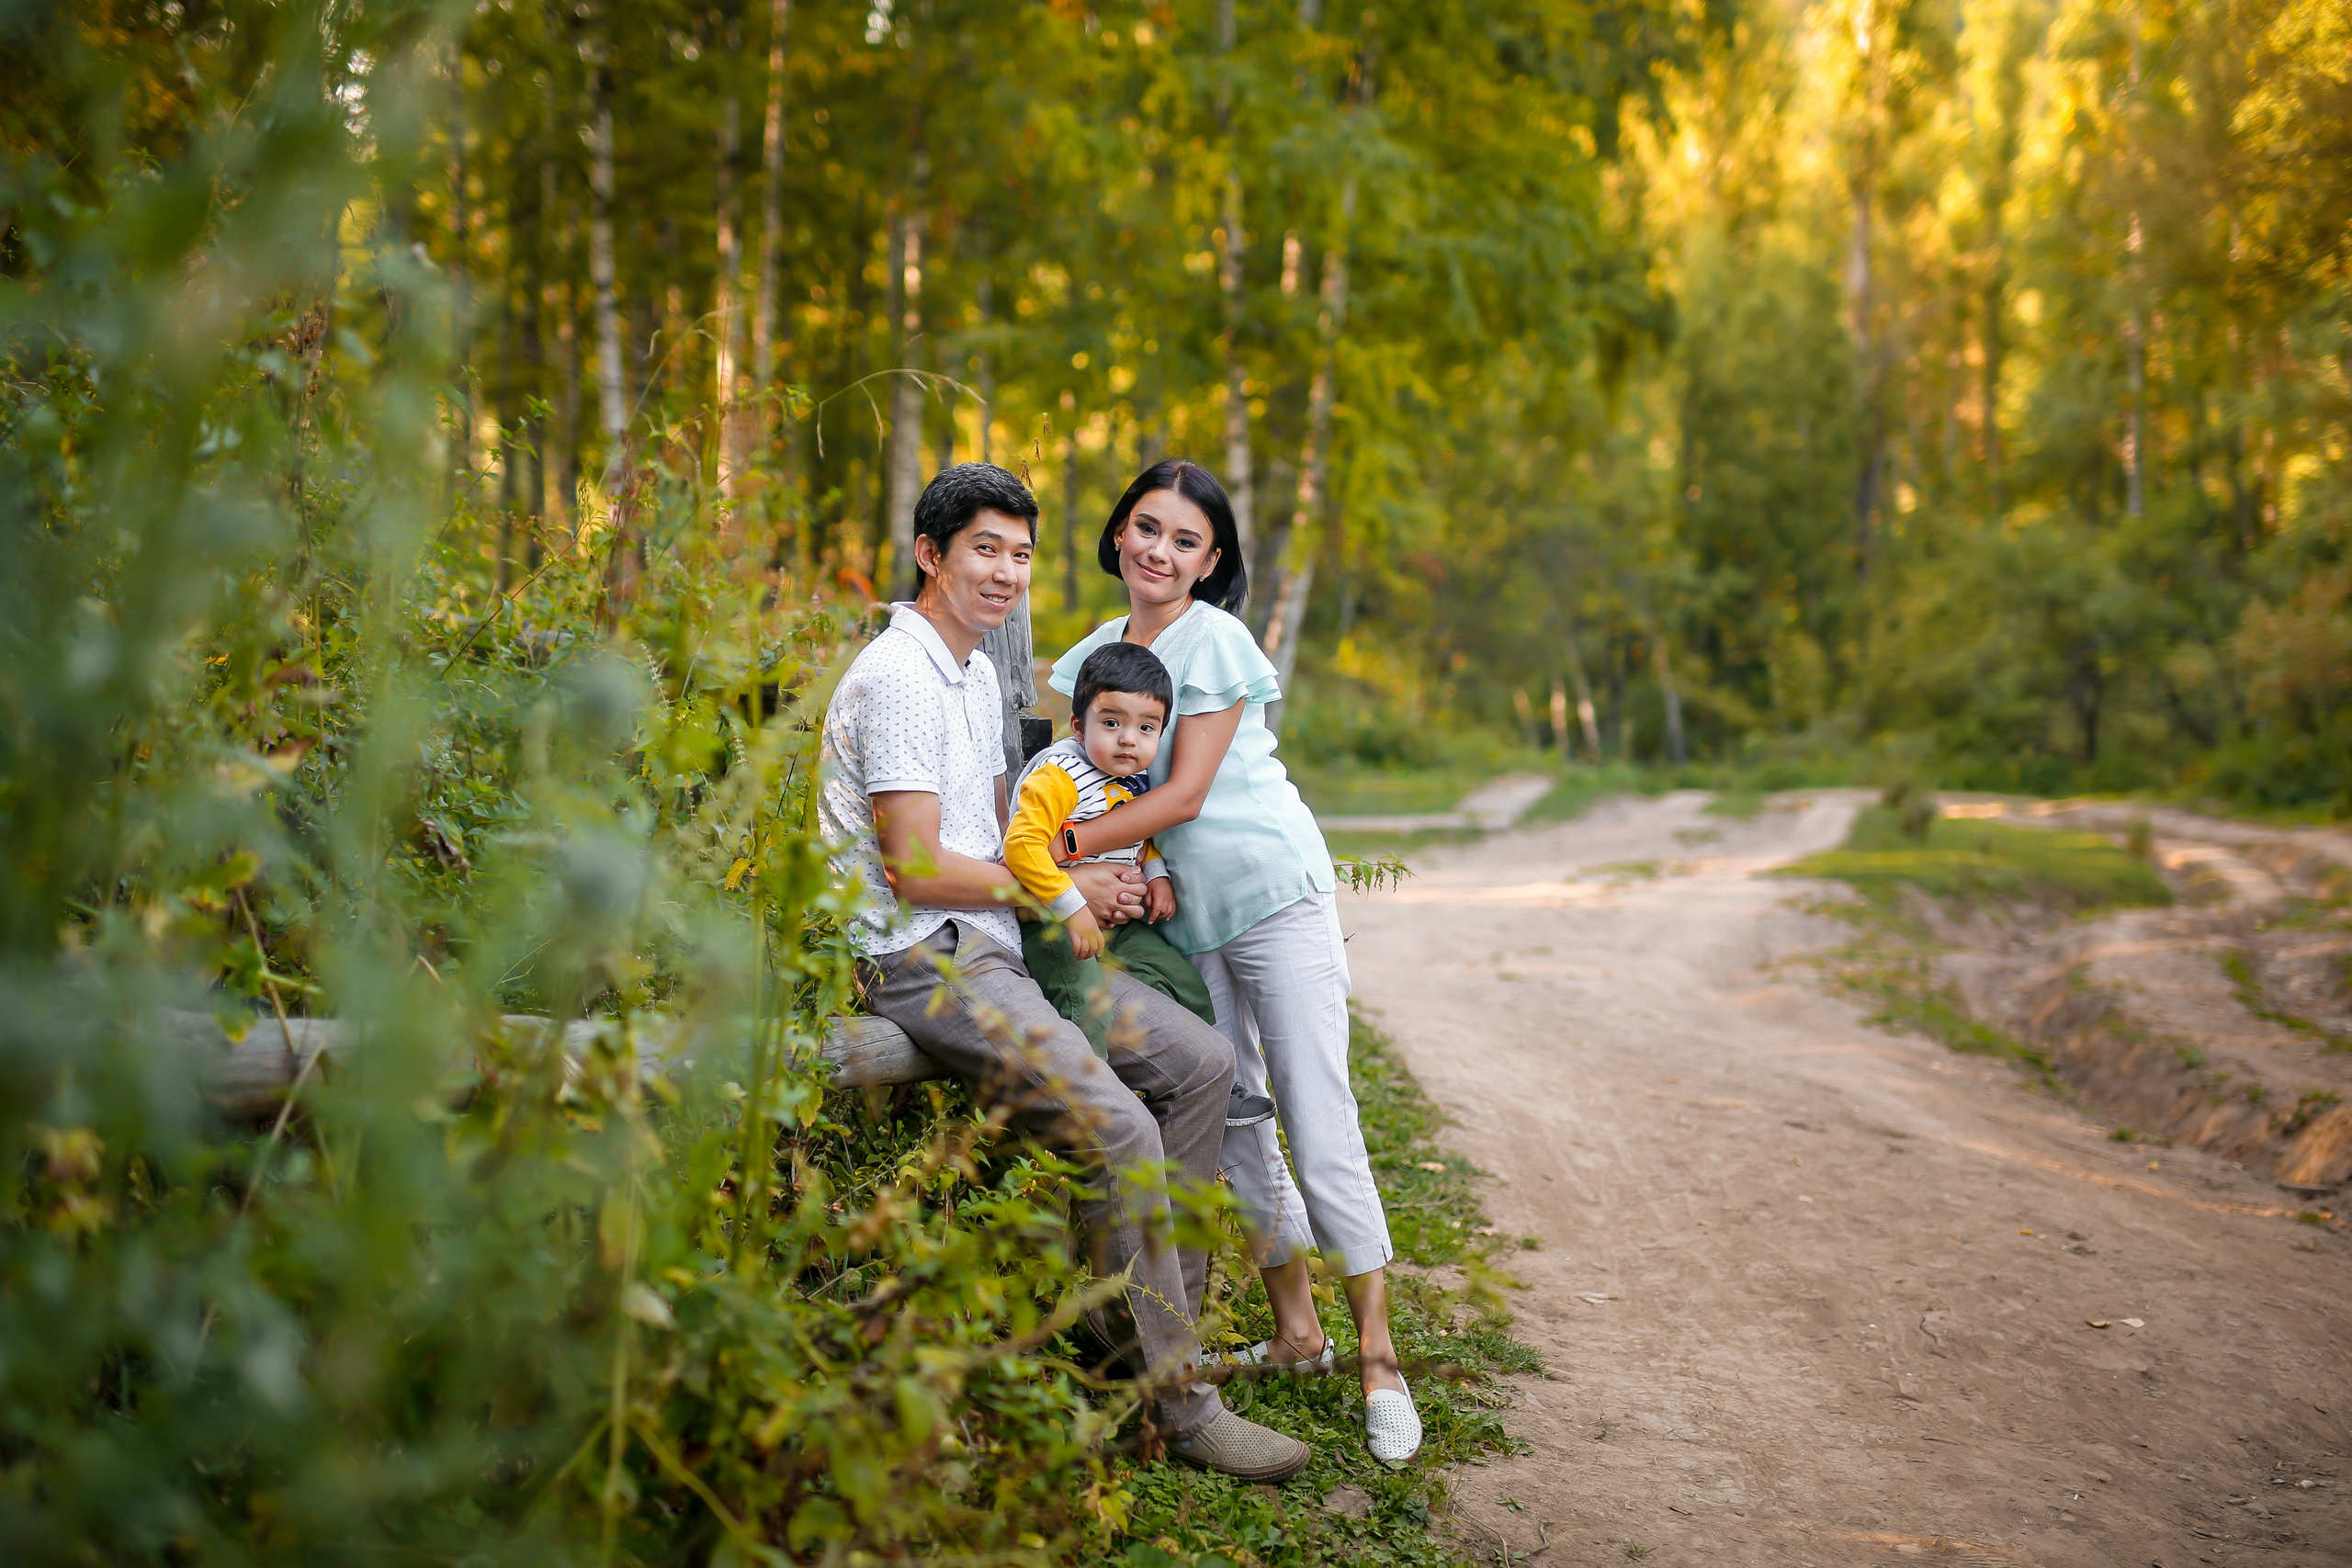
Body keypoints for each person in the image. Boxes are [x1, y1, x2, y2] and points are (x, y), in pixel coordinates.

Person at [815, 461, 1310, 1483]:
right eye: (983, 549)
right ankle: (1178, 1402)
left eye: (1021, 554)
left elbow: (1013, 830)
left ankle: (1139, 1341)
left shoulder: (970, 672)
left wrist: (1099, 879)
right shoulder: (901, 675)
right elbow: (913, 868)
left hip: (998, 943)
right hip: (920, 958)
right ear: (930, 555)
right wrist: (1058, 895)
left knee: (1204, 1064)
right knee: (1119, 1125)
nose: (1005, 573)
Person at [1045, 457, 1424, 1466]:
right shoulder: (1087, 660)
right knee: (1239, 1122)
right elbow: (1070, 783)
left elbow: (1179, 798)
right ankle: (1299, 1332)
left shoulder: (1215, 639)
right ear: (1118, 532)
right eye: (1145, 527)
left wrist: (1064, 855)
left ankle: (1380, 1361)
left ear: (1212, 563)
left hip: (1272, 899)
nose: (1158, 551)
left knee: (1313, 1107)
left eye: (1184, 540)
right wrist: (1103, 867)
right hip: (1183, 928)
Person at [999, 643, 1227, 1059]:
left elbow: (1137, 836)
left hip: (1118, 924)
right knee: (1084, 1007)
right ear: (1079, 727)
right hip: (1054, 921)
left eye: (1146, 728)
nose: (1128, 740)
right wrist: (1070, 908)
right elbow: (1022, 846)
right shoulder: (1059, 777)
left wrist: (1156, 874)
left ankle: (1209, 1074)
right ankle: (1093, 1095)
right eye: (1111, 722)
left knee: (1182, 982)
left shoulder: (1130, 777)